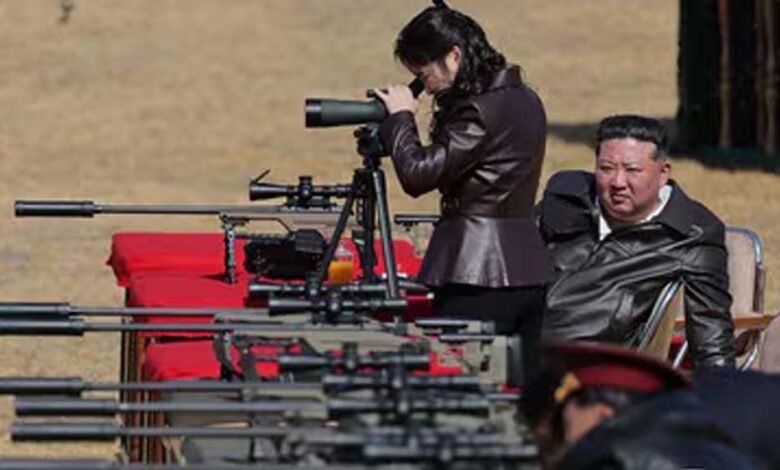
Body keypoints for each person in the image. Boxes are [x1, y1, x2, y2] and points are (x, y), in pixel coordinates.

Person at [374, 4, 552, 379]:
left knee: (464, 391)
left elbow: (418, 174)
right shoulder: (526, 99)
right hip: (527, 269)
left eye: (424, 74)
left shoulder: (480, 111)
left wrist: (401, 118)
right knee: (518, 392)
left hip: (477, 275)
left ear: (454, 55)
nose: (425, 87)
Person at [536, 114, 735, 368]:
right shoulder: (566, 198)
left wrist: (723, 389)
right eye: (606, 168)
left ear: (662, 173)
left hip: (590, 372)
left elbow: (712, 343)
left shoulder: (690, 235)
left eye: (632, 170)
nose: (617, 182)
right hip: (514, 344)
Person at [521, 341, 759, 470]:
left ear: (603, 414)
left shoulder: (609, 459)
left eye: (563, 427)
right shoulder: (711, 441)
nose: (558, 451)